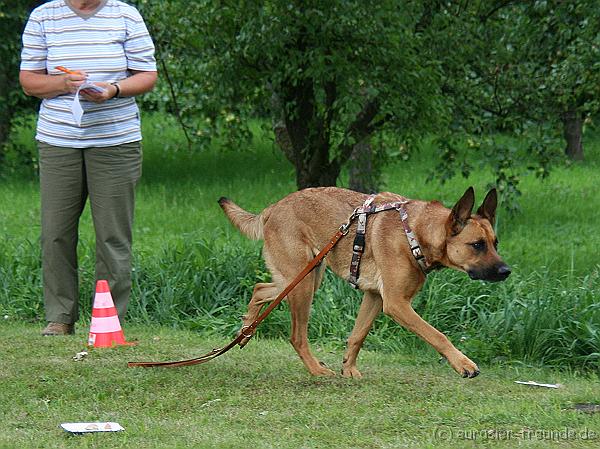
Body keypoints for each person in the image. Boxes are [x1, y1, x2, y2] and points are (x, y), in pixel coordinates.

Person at [19, 0, 157, 335]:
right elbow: (29, 81)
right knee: (56, 233)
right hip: (58, 141)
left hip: (116, 141)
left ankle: (107, 321)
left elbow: (147, 76)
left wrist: (114, 89)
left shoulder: (125, 15)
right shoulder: (44, 16)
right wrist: (62, 85)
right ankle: (60, 316)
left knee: (112, 235)